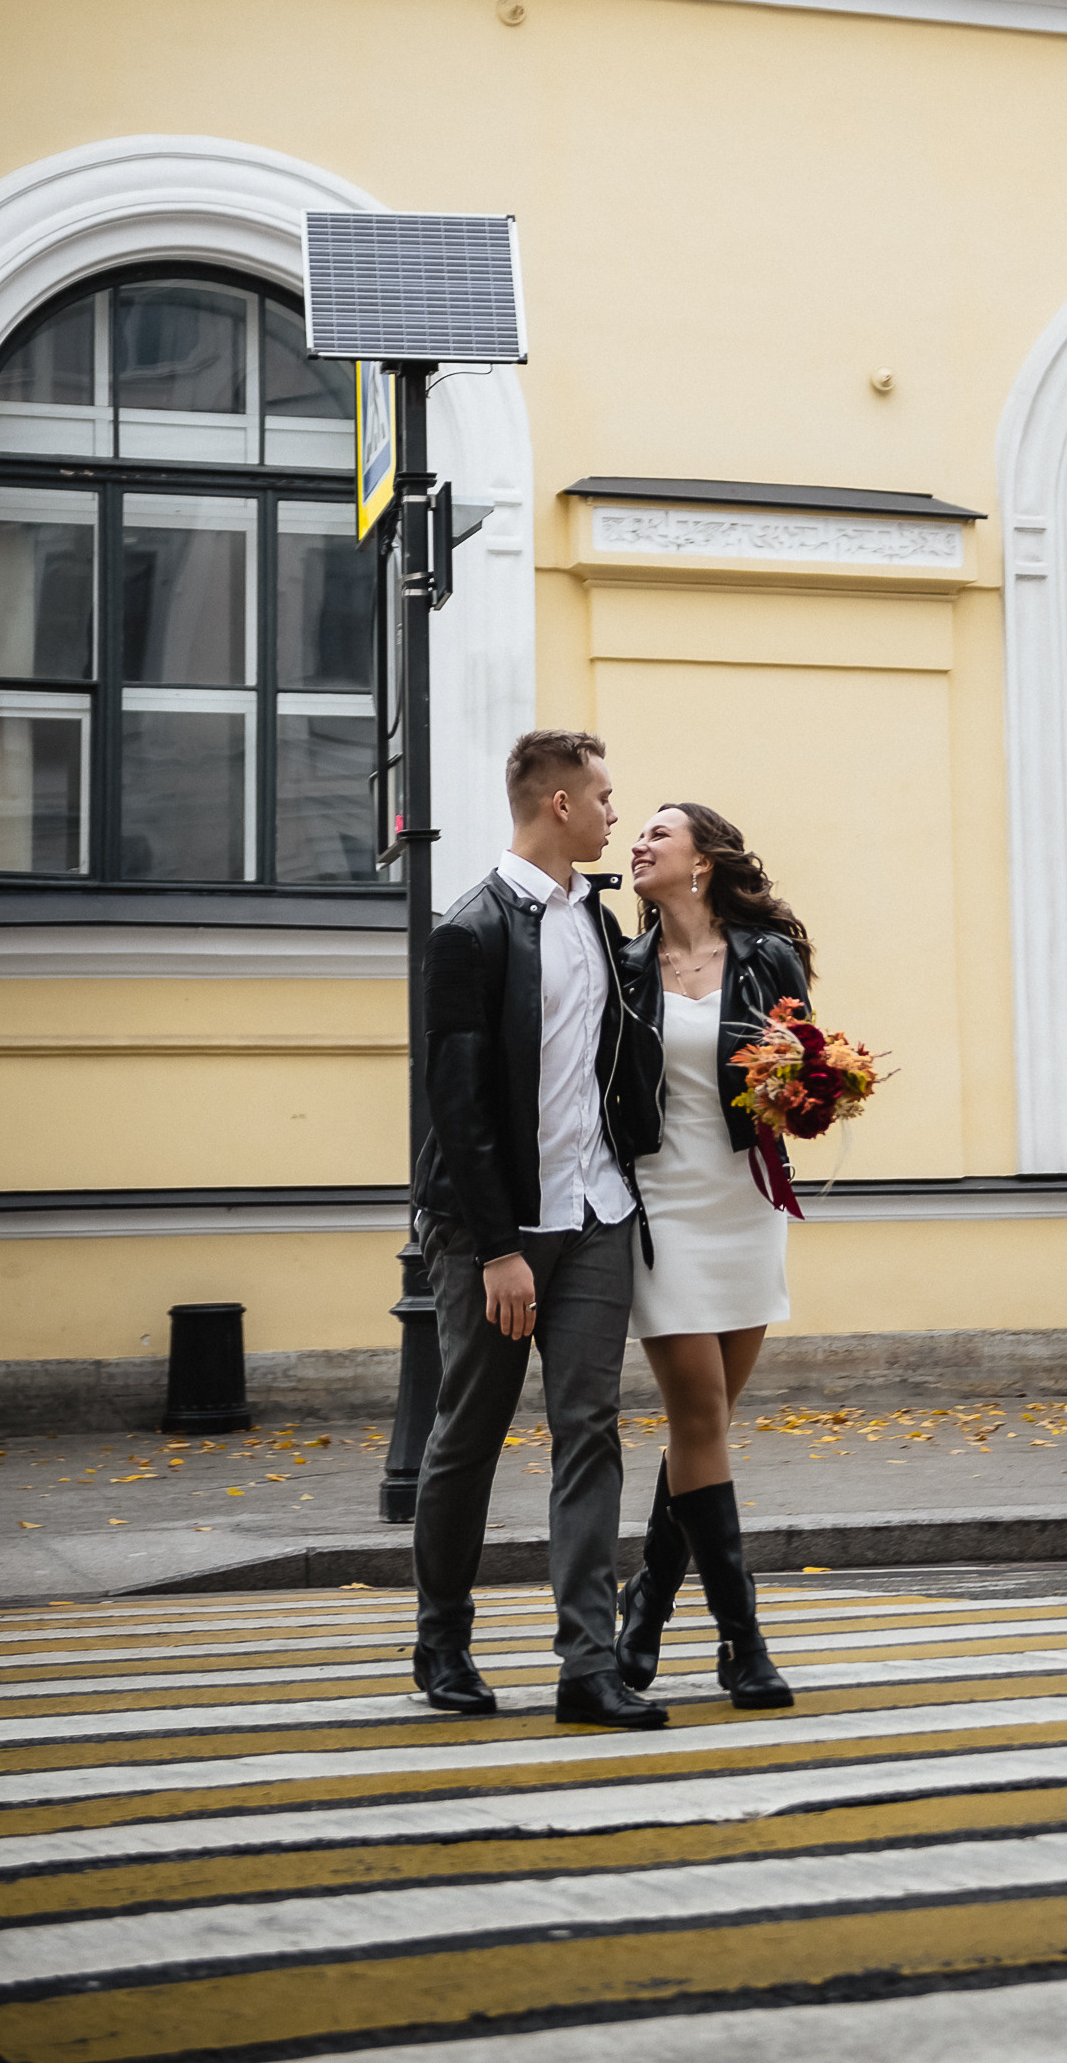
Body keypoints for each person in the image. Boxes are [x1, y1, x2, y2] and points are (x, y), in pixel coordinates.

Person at [408, 729, 668, 1730]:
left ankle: (586, 1667)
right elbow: (459, 1108)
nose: (613, 812)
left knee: (588, 1432)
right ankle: (442, 1641)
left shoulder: (597, 925)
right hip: (498, 1230)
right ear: (557, 805)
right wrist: (498, 1246)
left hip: (596, 1211)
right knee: (467, 1434)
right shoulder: (471, 929)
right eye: (603, 795)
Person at [615, 802, 812, 1709]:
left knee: (706, 1433)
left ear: (702, 859)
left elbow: (799, 1071)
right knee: (699, 1420)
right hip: (661, 1210)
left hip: (746, 1204)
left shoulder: (767, 956)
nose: (639, 843)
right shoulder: (623, 968)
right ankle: (743, 1645)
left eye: (659, 831)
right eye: (638, 834)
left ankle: (646, 1613)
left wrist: (816, 1088)